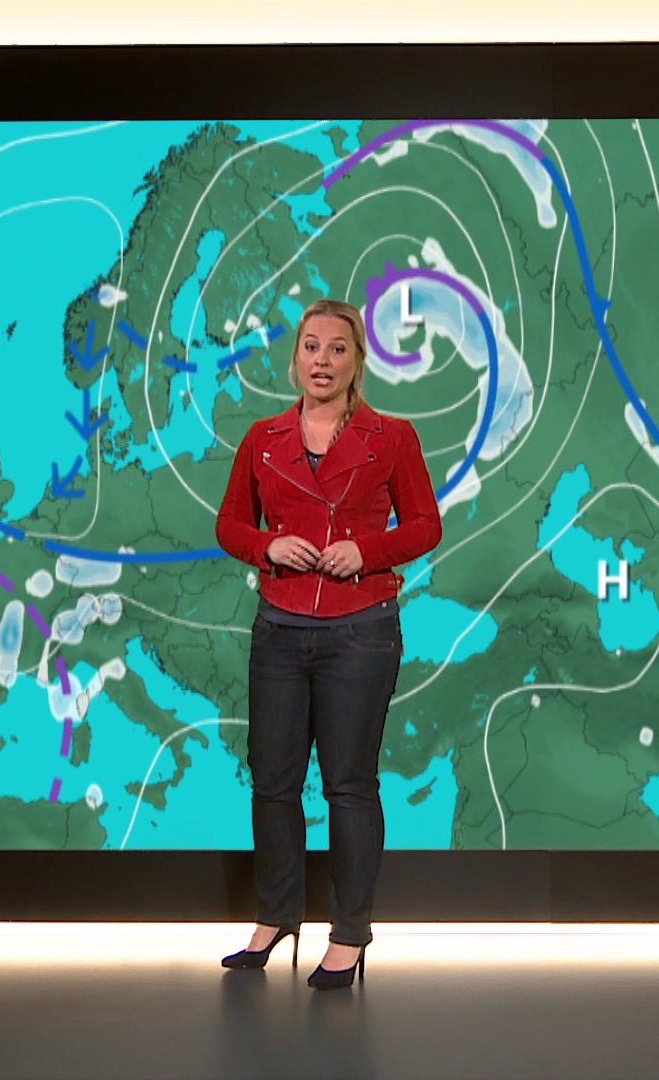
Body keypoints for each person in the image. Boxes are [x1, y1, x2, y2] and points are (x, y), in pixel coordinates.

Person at [213, 297, 442, 990]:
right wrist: (266, 545)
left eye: (337, 348)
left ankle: (349, 935)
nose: (322, 360)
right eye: (311, 346)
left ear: (356, 361)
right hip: (280, 628)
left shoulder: (392, 437)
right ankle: (276, 917)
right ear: (295, 359)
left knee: (349, 784)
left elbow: (424, 525)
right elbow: (230, 524)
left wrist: (367, 551)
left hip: (360, 630)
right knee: (273, 781)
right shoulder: (262, 440)